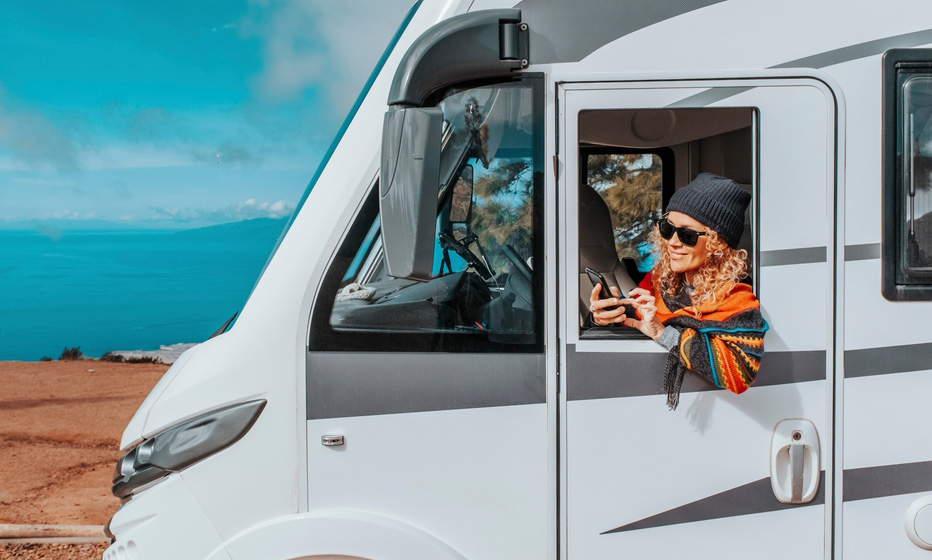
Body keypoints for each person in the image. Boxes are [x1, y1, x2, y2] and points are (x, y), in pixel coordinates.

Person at [589, 173, 768, 410]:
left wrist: (664, 334)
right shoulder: (658, 279)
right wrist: (605, 316)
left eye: (687, 235)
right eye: (667, 228)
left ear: (718, 243)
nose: (672, 242)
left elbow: (740, 373)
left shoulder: (737, 300)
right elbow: (637, 320)